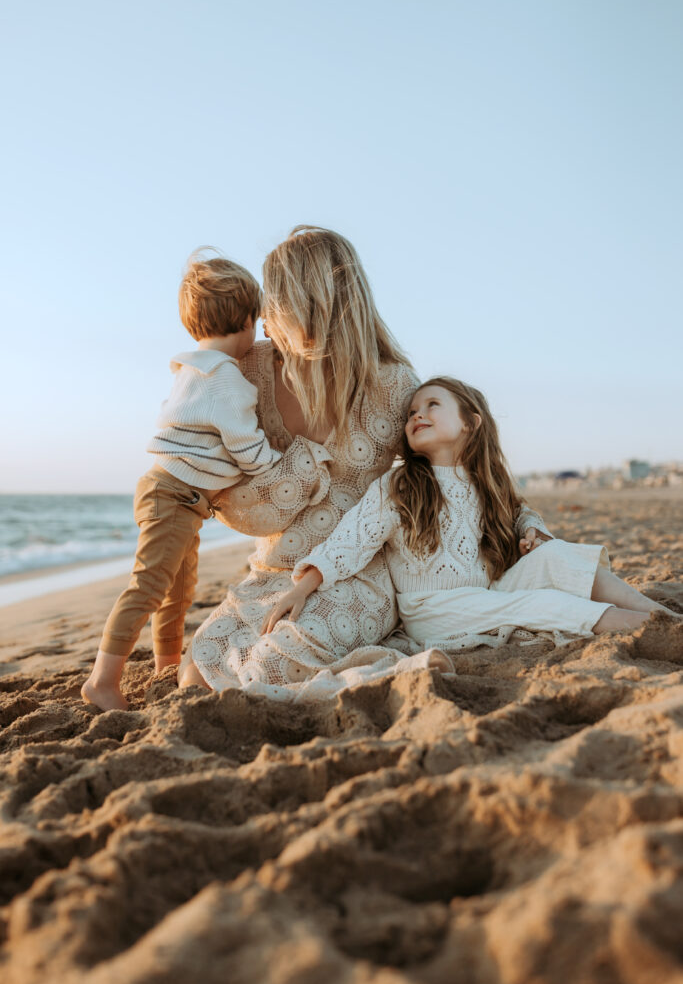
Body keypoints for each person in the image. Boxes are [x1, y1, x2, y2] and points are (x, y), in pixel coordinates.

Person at [181, 229, 550, 700]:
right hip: (275, 571)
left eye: (278, 297)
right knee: (197, 674)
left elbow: (468, 467)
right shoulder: (248, 373)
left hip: (359, 575)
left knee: (269, 669)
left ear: (311, 301)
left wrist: (528, 523)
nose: (266, 312)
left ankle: (390, 672)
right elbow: (229, 501)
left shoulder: (393, 387)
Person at [264, 377, 675, 647]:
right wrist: (301, 588)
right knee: (544, 605)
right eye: (411, 413)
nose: (417, 414)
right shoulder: (400, 484)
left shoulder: (487, 482)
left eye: (432, 405)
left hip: (487, 593)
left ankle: (663, 616)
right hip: (436, 611)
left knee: (561, 557)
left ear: (470, 424)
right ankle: (667, 637)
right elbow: (350, 541)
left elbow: (522, 513)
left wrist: (535, 532)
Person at [82, 251, 284, 711]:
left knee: (179, 589)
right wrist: (280, 466)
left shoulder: (192, 369)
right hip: (175, 496)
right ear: (247, 321)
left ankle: (165, 664)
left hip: (173, 495)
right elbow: (247, 448)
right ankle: (102, 680)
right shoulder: (227, 382)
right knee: (150, 586)